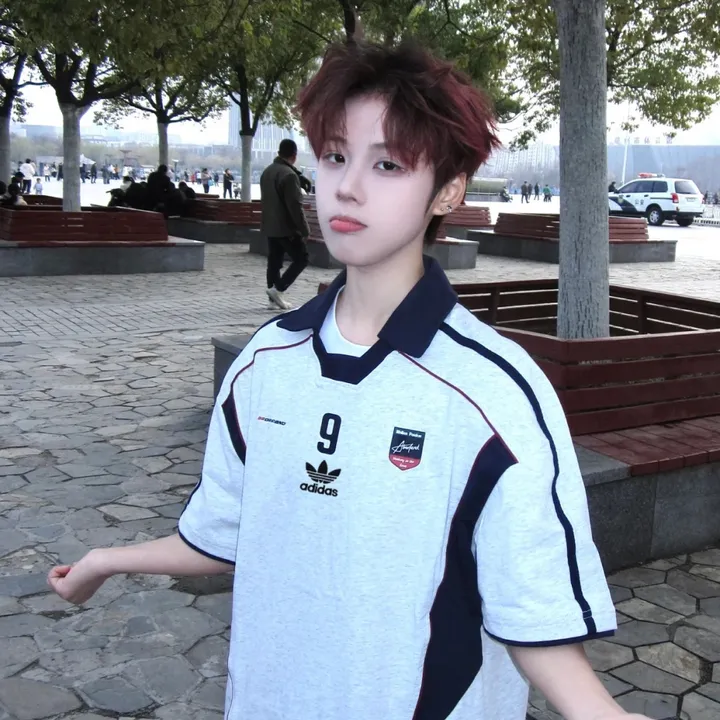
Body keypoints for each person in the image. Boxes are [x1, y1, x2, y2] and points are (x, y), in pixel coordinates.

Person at [46, 41, 650, 720]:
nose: (348, 186)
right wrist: (106, 560)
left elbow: (534, 611)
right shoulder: (266, 361)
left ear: (448, 189)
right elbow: (223, 533)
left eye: (387, 164)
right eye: (335, 156)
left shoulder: (494, 392)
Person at [260, 138, 310, 310]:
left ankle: (272, 301)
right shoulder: (289, 175)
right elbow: (295, 206)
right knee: (302, 259)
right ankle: (278, 289)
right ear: (294, 155)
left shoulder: (267, 171)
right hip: (286, 227)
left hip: (270, 225)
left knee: (274, 261)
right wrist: (304, 230)